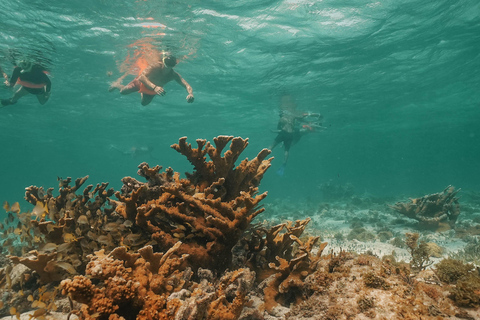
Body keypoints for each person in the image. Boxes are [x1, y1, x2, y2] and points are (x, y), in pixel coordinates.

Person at [109, 54, 194, 106]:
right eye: (167, 64)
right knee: (123, 92)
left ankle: (143, 92)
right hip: (141, 83)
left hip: (152, 89)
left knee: (144, 104)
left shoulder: (173, 75)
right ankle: (116, 85)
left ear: (174, 65)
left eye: (171, 65)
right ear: (163, 62)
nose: (168, 67)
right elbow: (141, 77)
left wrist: (190, 94)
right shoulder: (156, 66)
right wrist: (155, 87)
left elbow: (187, 85)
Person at [270, 97, 324, 176]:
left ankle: (273, 152)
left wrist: (317, 119)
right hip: (295, 133)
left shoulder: (309, 126)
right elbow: (306, 119)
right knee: (287, 148)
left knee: (286, 144)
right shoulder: (309, 126)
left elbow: (281, 130)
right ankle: (284, 161)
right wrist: (317, 116)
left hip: (296, 134)